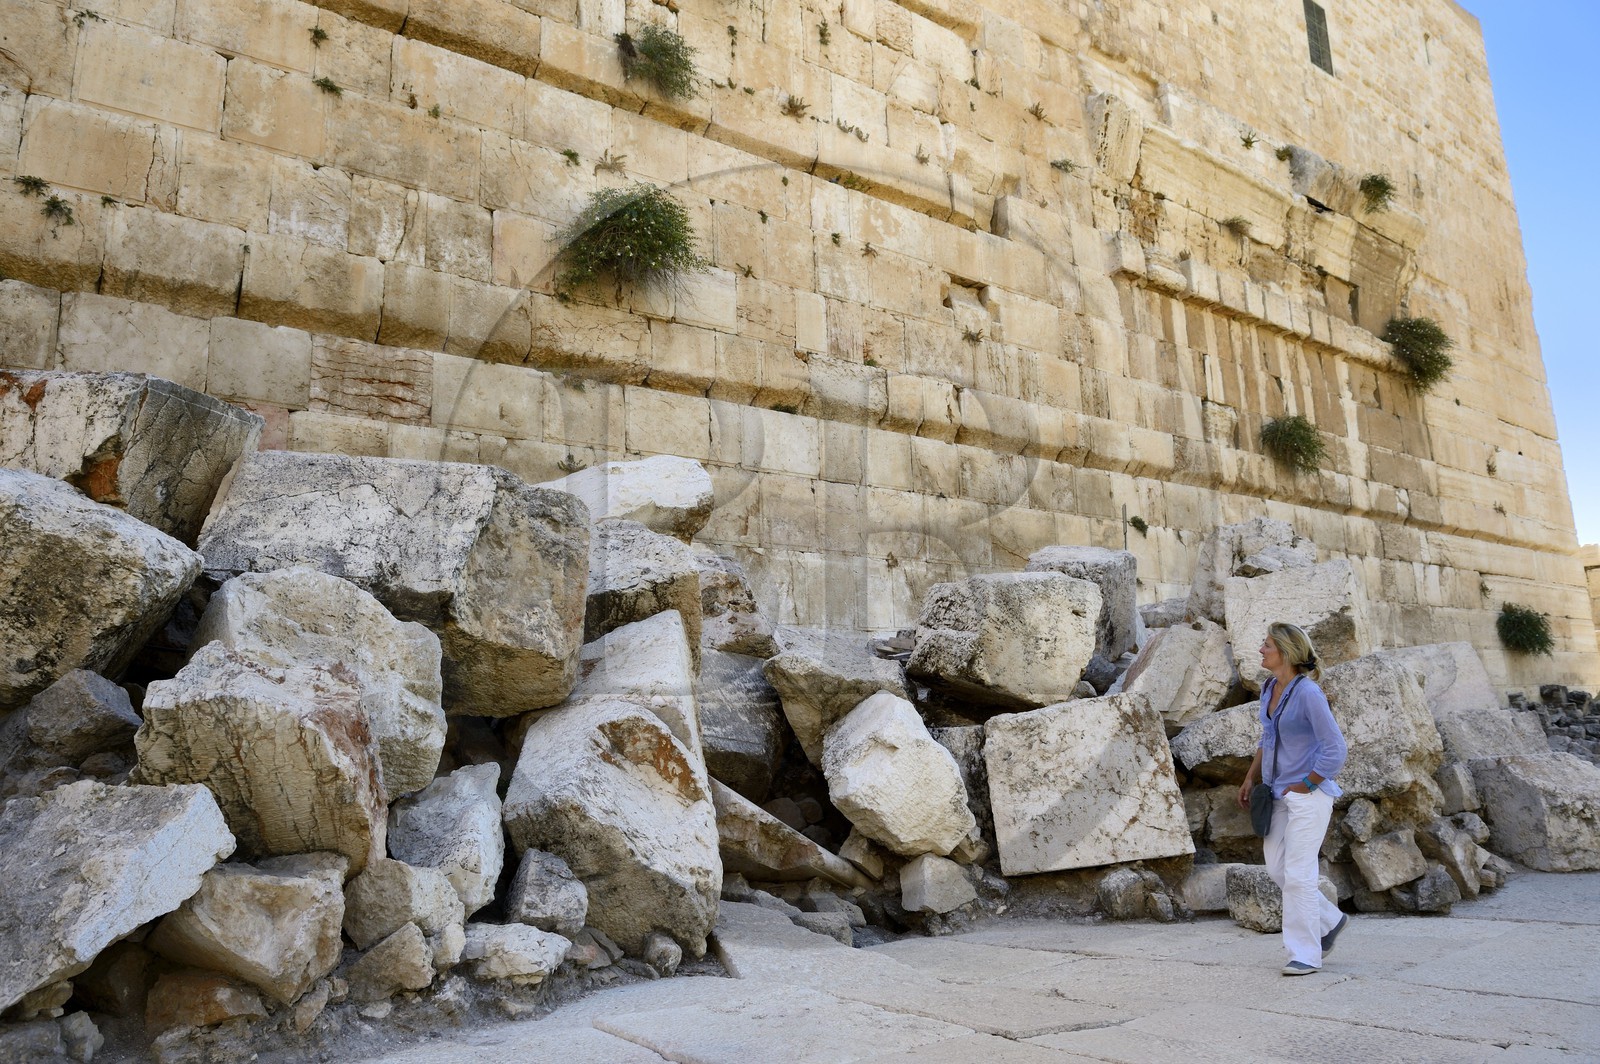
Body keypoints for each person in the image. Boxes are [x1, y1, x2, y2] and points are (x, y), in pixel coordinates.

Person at [1236, 622, 1350, 975]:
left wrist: (1307, 783)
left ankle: (1304, 954)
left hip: (1307, 796)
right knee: (1277, 870)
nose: (1260, 650)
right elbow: (1268, 738)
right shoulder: (1270, 688)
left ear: (1285, 652)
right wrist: (1250, 776)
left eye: (1266, 644)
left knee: (1299, 875)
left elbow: (1335, 748)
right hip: (1275, 794)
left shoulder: (1308, 693)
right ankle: (1330, 921)